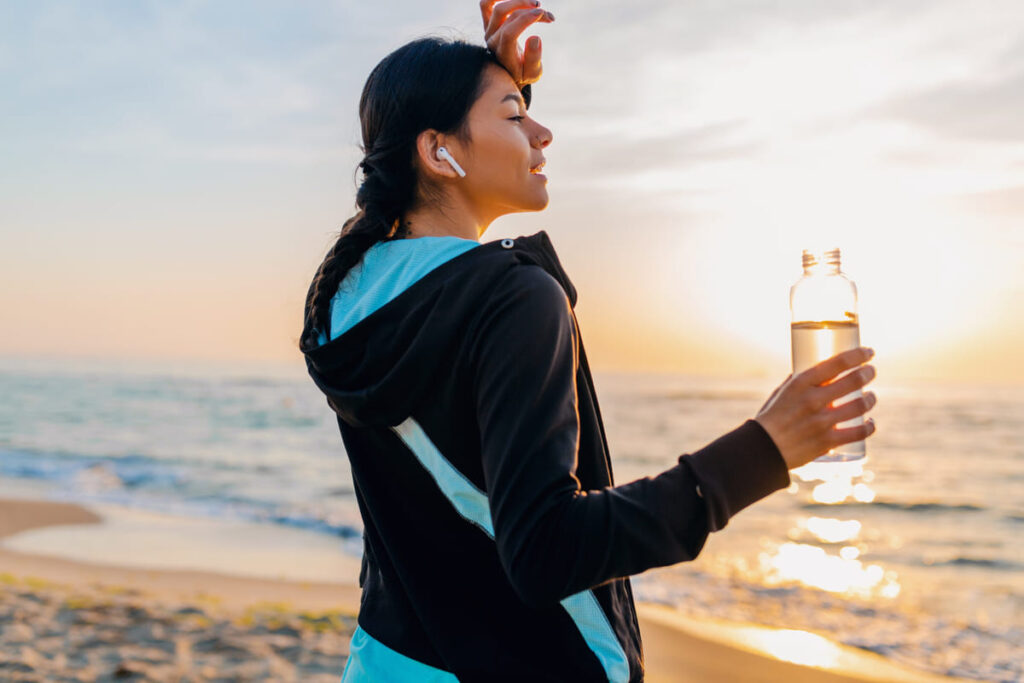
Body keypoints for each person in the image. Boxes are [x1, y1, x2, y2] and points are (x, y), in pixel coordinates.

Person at [298, 3, 878, 681]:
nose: (543, 133)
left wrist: (491, 88)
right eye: (516, 118)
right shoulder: (514, 298)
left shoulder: (348, 299)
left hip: (387, 664)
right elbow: (545, 550)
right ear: (437, 151)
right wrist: (761, 450)